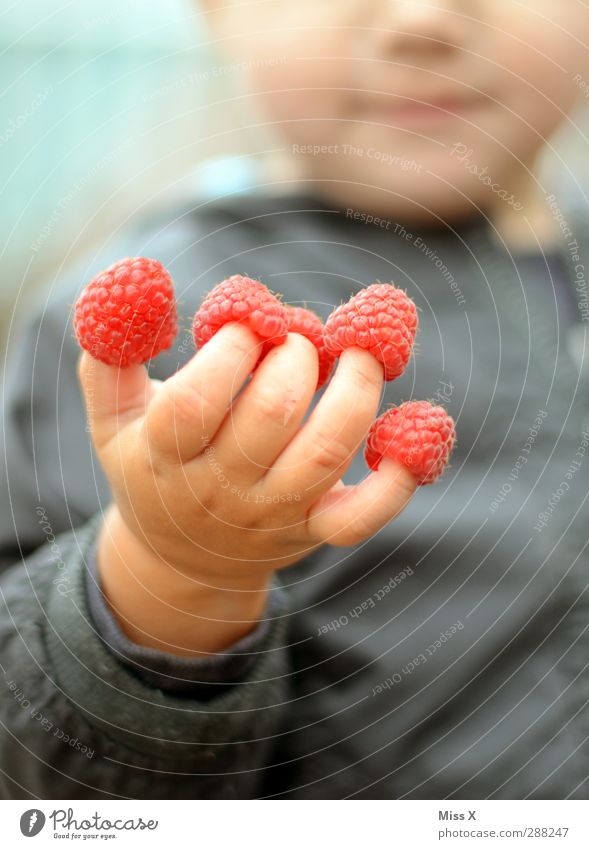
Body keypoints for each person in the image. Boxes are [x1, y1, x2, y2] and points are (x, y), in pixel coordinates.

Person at [1, 0, 589, 799]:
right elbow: (45, 778)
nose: (421, 18)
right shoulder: (150, 344)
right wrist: (176, 571)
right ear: (216, 15)